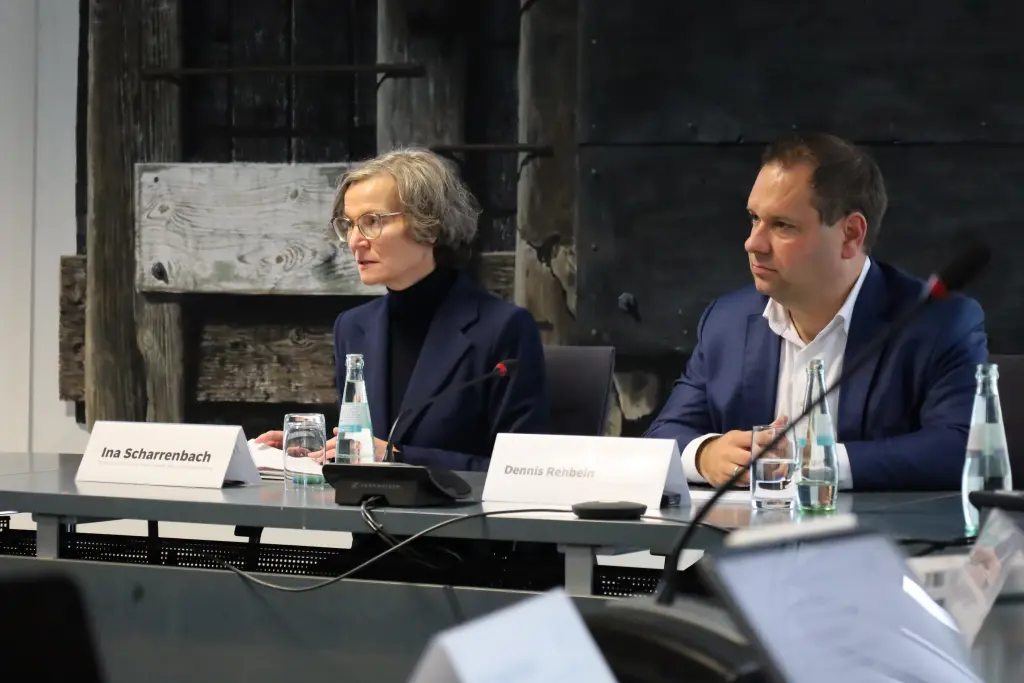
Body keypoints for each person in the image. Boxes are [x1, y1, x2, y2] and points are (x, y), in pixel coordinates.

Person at [645, 132, 987, 491]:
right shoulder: (726, 322)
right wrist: (707, 454)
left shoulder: (937, 321)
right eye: (753, 218)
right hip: (741, 543)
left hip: (881, 543)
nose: (753, 243)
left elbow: (960, 448)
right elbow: (663, 436)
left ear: (850, 235)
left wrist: (818, 462)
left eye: (782, 225)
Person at [257, 147, 551, 470]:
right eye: (349, 225)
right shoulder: (352, 328)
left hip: (457, 520)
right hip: (365, 518)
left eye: (371, 222)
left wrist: (399, 457)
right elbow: (366, 449)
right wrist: (311, 450)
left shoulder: (504, 330)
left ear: (430, 226)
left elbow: (521, 472)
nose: (355, 241)